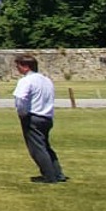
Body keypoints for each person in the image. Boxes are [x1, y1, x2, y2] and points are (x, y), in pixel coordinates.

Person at [12, 54, 67, 183]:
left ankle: (49, 176)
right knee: (46, 146)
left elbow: (21, 98)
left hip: (33, 117)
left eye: (18, 66)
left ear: (26, 67)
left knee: (37, 149)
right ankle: (58, 173)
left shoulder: (26, 80)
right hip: (47, 117)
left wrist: (21, 113)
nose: (17, 69)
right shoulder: (46, 80)